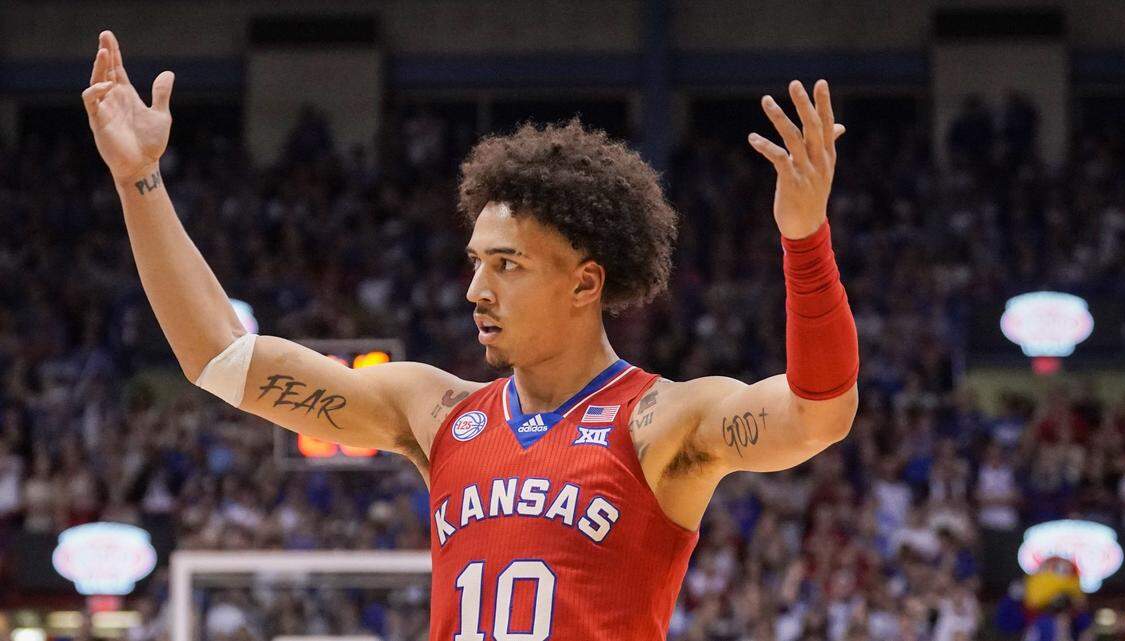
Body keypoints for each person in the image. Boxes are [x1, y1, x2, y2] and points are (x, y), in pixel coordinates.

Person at [82, 30, 858, 641]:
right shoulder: (438, 411)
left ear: (585, 282)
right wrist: (138, 182)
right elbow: (221, 357)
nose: (475, 289)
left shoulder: (661, 421)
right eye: (475, 262)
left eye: (507, 265)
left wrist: (804, 237)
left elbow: (818, 413)